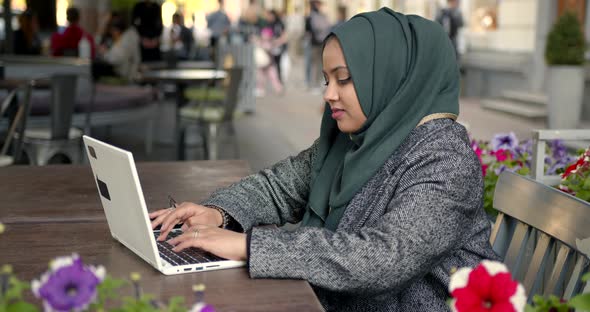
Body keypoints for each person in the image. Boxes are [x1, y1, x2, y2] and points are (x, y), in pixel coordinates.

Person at [150, 8, 497, 311]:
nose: (329, 94)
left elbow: (385, 258)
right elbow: (278, 187)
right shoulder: (350, 139)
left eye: (344, 79)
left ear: (391, 77)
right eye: (326, 80)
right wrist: (219, 213)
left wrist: (250, 246)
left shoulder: (445, 160)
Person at [92, 14, 140, 81]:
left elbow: (115, 59)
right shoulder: (125, 36)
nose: (112, 34)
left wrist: (105, 53)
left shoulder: (127, 39)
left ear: (115, 29)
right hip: (122, 72)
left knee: (96, 69)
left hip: (125, 76)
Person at [304, 0, 331, 91]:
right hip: (315, 43)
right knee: (315, 64)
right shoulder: (314, 16)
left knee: (317, 64)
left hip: (318, 43)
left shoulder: (316, 16)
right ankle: (314, 83)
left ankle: (314, 82)